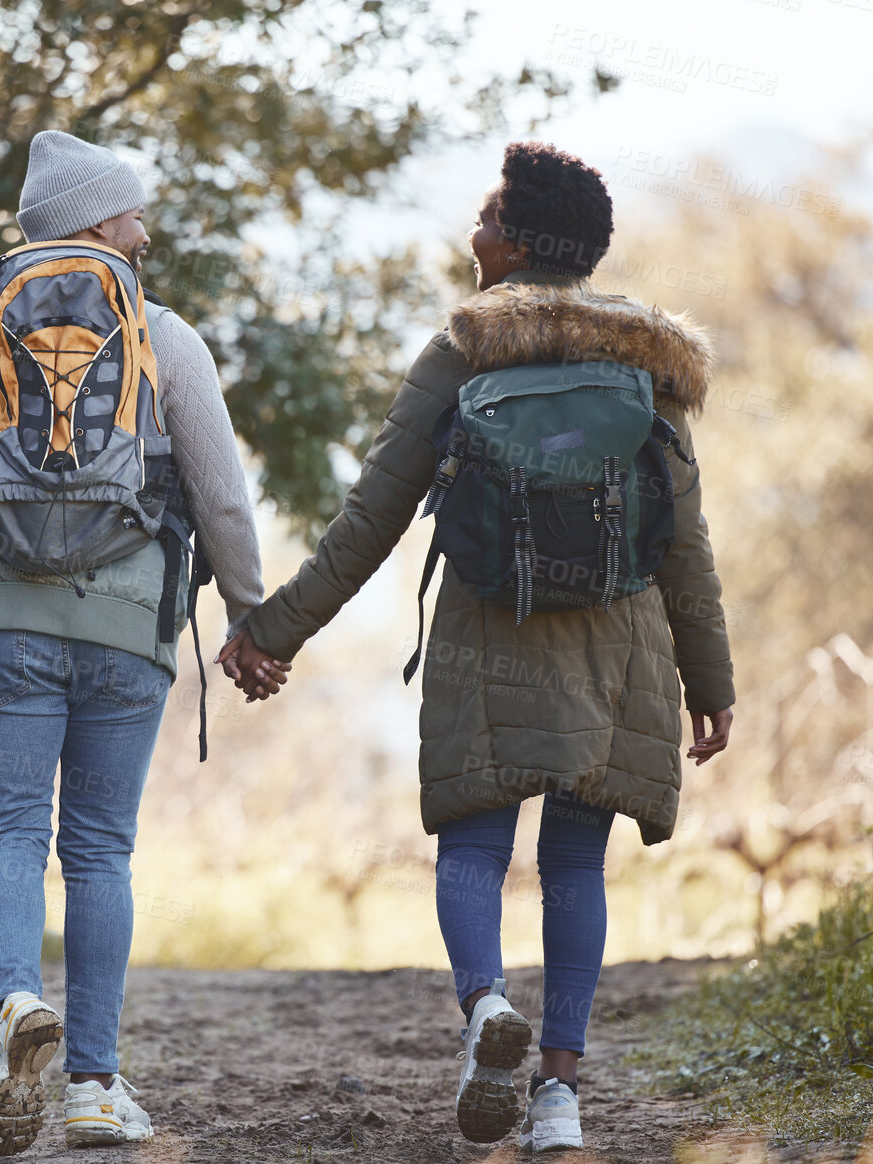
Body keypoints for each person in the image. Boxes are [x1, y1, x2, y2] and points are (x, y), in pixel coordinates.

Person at [220, 142, 735, 1152]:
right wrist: (709, 679)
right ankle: (559, 1101)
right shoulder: (650, 362)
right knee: (575, 865)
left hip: (487, 630)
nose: (472, 234)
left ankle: (487, 1010)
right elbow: (685, 540)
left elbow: (371, 516)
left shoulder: (465, 348)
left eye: (486, 219)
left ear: (516, 243)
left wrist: (269, 631)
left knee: (472, 845)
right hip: (617, 645)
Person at [0, 130, 266, 1156]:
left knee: (8, 836)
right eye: (133, 212)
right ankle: (96, 1087)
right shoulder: (165, 336)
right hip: (124, 628)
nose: (144, 231)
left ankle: (16, 1006)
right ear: (97, 221)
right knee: (100, 851)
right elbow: (221, 497)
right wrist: (249, 616)